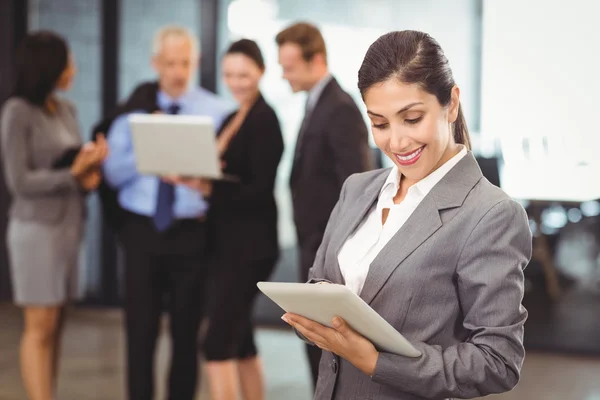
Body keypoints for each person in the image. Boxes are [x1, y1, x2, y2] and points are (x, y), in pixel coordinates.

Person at [281, 30, 532, 400]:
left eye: (412, 119)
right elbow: (319, 283)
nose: (396, 142)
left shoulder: (490, 215)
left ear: (452, 104)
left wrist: (376, 361)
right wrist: (311, 319)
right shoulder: (357, 189)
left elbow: (498, 361)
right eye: (380, 124)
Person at [101, 26, 229, 400]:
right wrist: (151, 146)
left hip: (191, 233)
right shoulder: (133, 112)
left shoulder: (217, 112)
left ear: (196, 62)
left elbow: (223, 177)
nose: (178, 71)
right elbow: (112, 174)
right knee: (139, 332)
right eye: (170, 63)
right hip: (141, 231)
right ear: (156, 63)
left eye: (186, 62)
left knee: (187, 333)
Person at [166, 39, 284, 400]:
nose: (236, 82)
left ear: (261, 73)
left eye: (244, 74)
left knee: (216, 345)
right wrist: (195, 180)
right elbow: (220, 180)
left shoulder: (265, 119)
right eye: (229, 74)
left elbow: (258, 190)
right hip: (228, 243)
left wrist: (208, 186)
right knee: (241, 341)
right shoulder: (234, 116)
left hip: (248, 248)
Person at [0, 31, 108, 400]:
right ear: (49, 66)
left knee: (58, 323)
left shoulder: (66, 109)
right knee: (39, 325)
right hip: (35, 231)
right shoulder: (17, 112)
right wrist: (72, 174)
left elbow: (74, 163)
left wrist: (89, 172)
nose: (73, 69)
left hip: (69, 227)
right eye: (68, 62)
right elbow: (19, 180)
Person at [275, 22, 374, 386]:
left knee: (324, 345)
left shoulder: (340, 108)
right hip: (314, 239)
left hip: (328, 244)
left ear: (315, 59)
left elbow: (358, 186)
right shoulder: (317, 102)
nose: (283, 75)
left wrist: (337, 248)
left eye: (289, 66)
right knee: (313, 340)